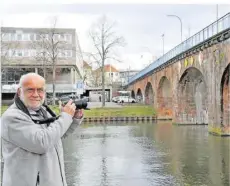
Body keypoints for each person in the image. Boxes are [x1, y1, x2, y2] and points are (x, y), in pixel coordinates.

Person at [1, 73, 84, 186]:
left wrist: (74, 119)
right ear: (20, 91)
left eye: (40, 90)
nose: (36, 94)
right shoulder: (12, 117)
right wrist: (65, 117)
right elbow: (41, 143)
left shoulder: (42, 111)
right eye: (30, 90)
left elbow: (56, 136)